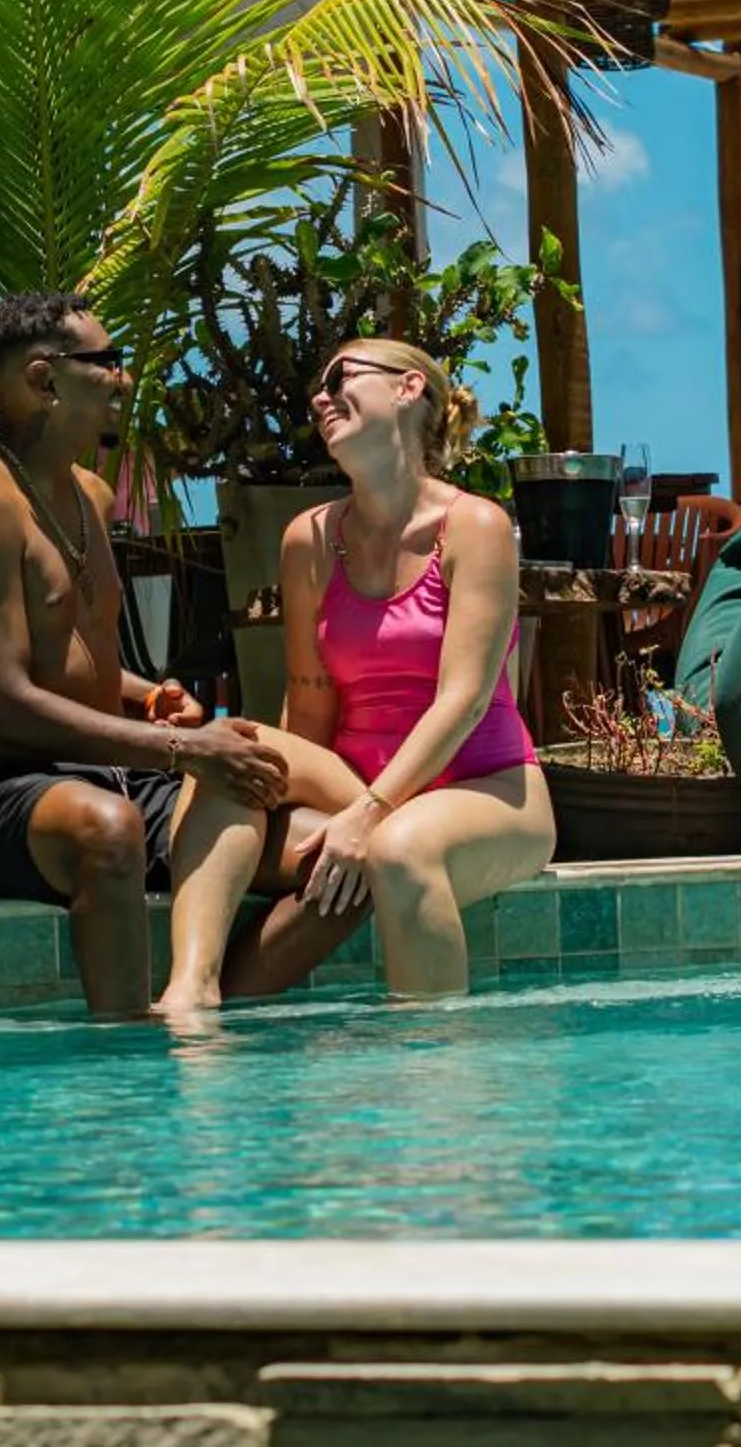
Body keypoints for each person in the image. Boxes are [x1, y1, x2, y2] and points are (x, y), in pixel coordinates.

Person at [0, 291, 289, 1018]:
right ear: (44, 379)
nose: (125, 377)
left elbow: (70, 656)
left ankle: (193, 1012)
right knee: (107, 832)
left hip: (108, 769)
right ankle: (125, 1072)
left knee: (325, 848)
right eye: (107, 361)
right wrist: (179, 752)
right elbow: (6, 702)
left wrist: (149, 696)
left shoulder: (88, 493)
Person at [217, 339, 557, 997]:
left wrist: (369, 815)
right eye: (317, 386)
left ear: (407, 390)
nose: (319, 396)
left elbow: (463, 699)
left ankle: (434, 1077)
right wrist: (291, 806)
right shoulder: (308, 539)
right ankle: (194, 1002)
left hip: (489, 791)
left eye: (340, 377)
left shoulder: (475, 526)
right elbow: (309, 708)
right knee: (232, 760)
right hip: (358, 791)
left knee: (399, 849)